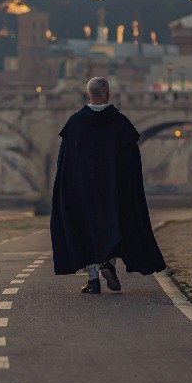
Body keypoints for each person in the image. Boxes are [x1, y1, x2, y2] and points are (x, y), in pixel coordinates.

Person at [50, 77, 166, 294]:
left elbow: (64, 162)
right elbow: (132, 163)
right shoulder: (121, 123)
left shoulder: (75, 124)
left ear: (88, 96)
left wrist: (66, 190)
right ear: (109, 95)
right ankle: (108, 264)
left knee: (85, 229)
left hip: (83, 190)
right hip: (113, 190)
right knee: (112, 225)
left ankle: (93, 280)